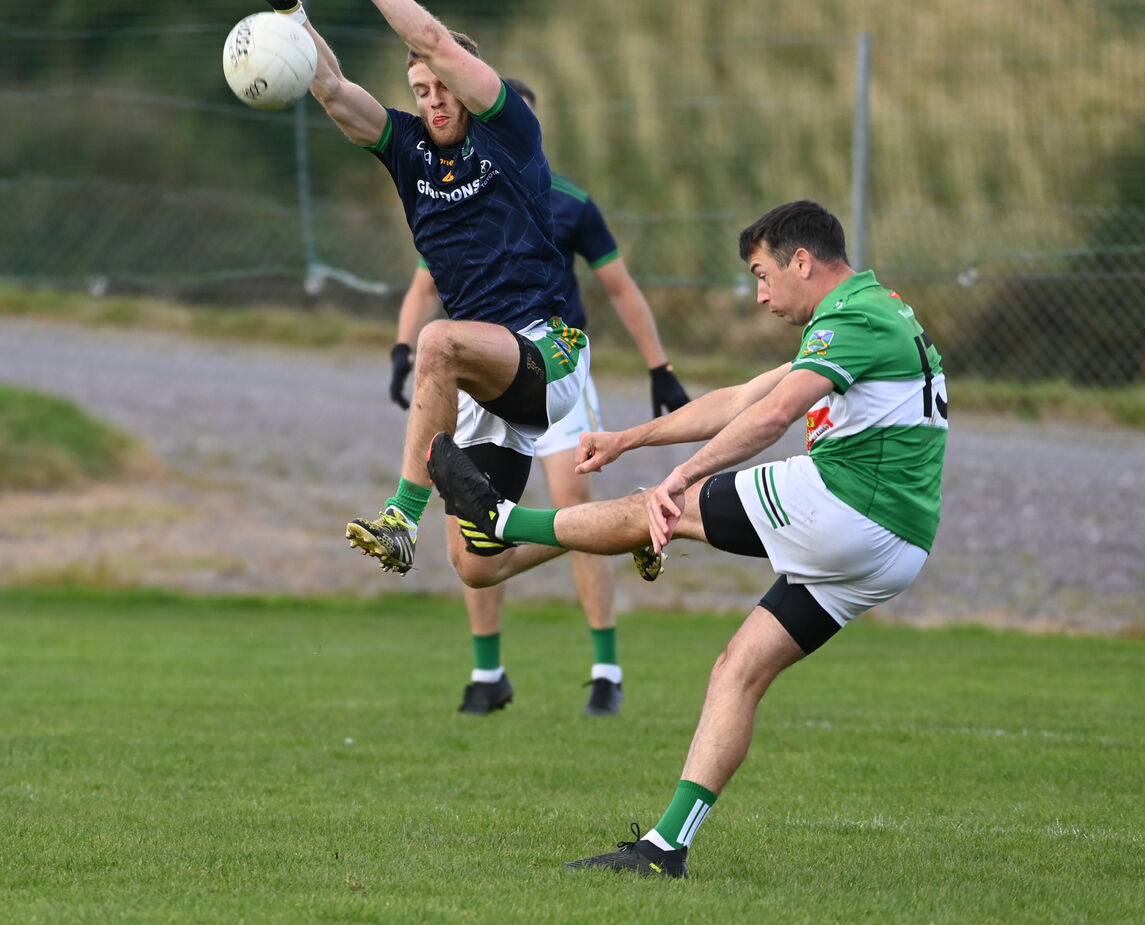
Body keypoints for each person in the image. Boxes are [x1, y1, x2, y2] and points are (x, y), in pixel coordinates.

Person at [427, 200, 949, 878]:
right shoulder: (870, 311)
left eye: (763, 276)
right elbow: (741, 398)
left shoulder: (852, 318)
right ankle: (664, 848)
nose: (760, 295)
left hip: (850, 507)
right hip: (897, 544)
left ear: (802, 261)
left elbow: (775, 416)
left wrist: (683, 476)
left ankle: (501, 521)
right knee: (738, 668)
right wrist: (626, 438)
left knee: (662, 508)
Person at [388, 77, 690, 717]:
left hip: (551, 366)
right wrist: (402, 349)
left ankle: (606, 672)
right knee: (473, 555)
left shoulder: (571, 202)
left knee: (571, 493)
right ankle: (488, 671)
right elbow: (422, 283)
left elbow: (620, 288)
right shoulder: (456, 190)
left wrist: (658, 366)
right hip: (482, 368)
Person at [264, 0, 590, 581]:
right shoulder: (406, 146)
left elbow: (436, 40)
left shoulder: (509, 131)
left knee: (435, 341)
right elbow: (334, 89)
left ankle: (400, 518)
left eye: (443, 86)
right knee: (476, 564)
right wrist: (291, 13)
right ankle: (634, 518)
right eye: (421, 90)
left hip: (548, 353)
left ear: (467, 83)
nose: (434, 100)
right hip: (483, 374)